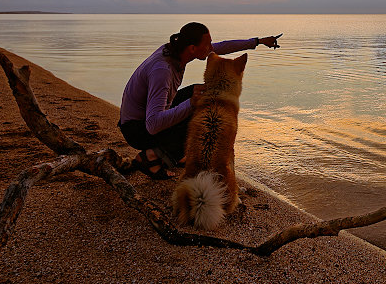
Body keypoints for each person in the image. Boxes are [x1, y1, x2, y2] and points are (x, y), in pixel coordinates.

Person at [119, 21, 281, 178]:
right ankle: (151, 158)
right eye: (208, 44)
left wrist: (258, 42)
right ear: (192, 48)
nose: (212, 48)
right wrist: (190, 104)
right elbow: (153, 125)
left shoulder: (176, 50)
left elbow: (221, 47)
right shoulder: (163, 71)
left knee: (205, 93)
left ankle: (173, 152)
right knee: (204, 108)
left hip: (144, 119)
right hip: (138, 131)